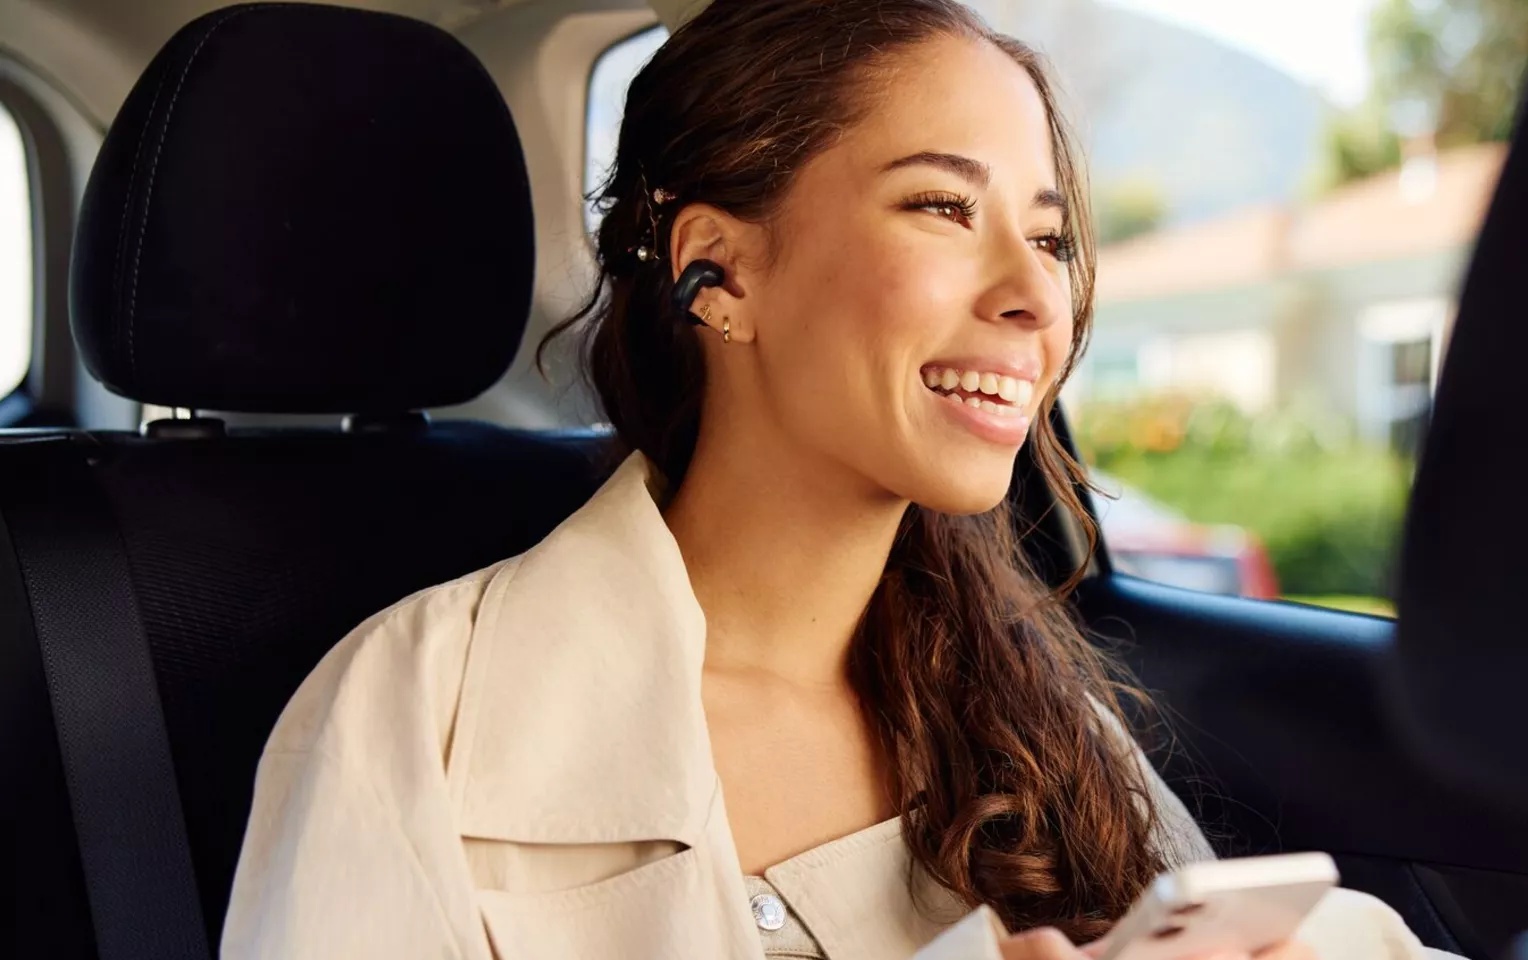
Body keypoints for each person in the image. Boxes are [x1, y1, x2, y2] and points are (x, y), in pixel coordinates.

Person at [220, 1, 1457, 958]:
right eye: (939, 207)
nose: (1035, 296)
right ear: (722, 273)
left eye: (1049, 236)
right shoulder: (415, 711)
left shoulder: (1032, 707)